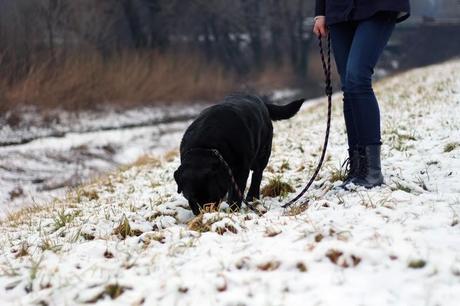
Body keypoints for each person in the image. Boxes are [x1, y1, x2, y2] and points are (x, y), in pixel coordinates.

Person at [313, 0, 410, 189]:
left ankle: (372, 171)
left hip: (378, 6)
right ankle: (358, 169)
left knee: (357, 78)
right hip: (339, 10)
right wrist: (320, 12)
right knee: (349, 85)